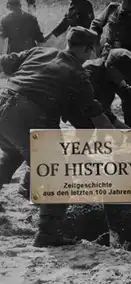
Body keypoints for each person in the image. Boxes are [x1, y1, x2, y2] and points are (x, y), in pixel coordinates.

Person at [0, 26, 114, 248]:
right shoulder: (77, 72)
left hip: (2, 105)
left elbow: (4, 61)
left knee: (11, 154)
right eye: (91, 51)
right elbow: (96, 117)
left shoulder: (39, 51)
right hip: (29, 115)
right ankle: (47, 234)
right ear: (87, 50)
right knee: (57, 172)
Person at [65, 48, 131, 131]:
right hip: (76, 109)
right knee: (91, 129)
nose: (124, 79)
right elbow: (102, 113)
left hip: (97, 111)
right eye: (123, 75)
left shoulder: (114, 75)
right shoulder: (90, 74)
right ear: (112, 68)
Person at [90, 0, 131, 128]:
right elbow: (95, 24)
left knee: (130, 100)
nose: (127, 4)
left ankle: (130, 134)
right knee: (103, 97)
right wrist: (96, 43)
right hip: (107, 58)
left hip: (126, 59)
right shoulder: (112, 8)